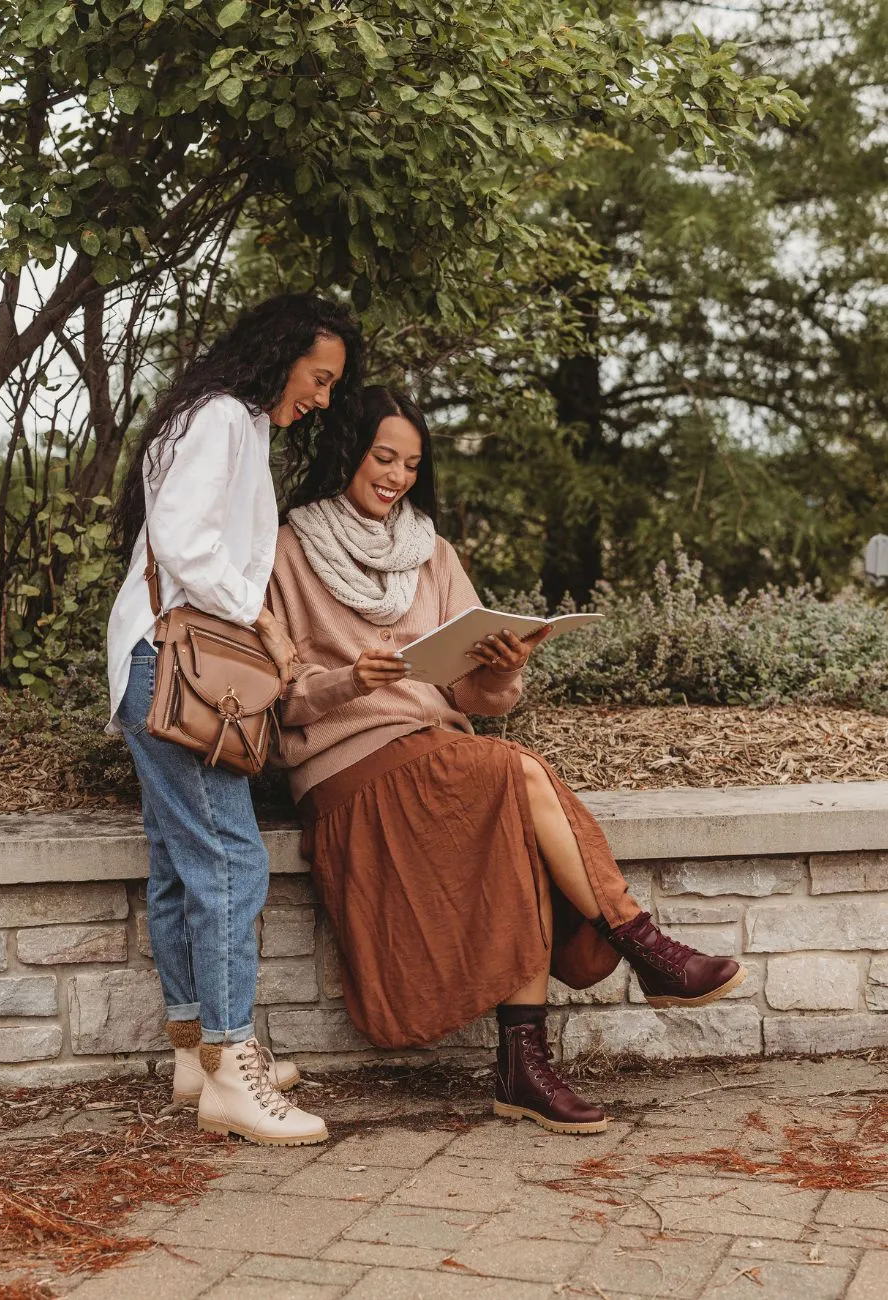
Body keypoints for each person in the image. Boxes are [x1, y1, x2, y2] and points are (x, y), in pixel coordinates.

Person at [266, 386, 746, 1135]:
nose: (395, 476)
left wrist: (497, 665)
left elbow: (476, 697)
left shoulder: (433, 552)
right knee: (513, 771)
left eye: (411, 464)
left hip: (440, 751)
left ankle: (525, 1068)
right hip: (347, 771)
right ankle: (640, 943)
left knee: (513, 810)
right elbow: (282, 702)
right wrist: (350, 680)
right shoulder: (287, 550)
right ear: (346, 452)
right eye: (383, 457)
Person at [107, 293, 363, 1146]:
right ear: (280, 352)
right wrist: (260, 617)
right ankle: (231, 1065)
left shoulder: (229, 419)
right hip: (177, 669)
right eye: (319, 377)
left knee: (185, 867)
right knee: (229, 860)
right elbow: (183, 540)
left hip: (158, 665)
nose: (323, 396)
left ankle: (196, 1056)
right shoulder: (221, 416)